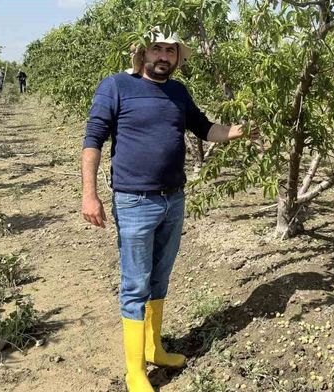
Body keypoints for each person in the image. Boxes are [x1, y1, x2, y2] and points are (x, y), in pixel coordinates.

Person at [80, 28, 259, 392]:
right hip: (134, 201)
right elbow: (93, 139)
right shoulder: (116, 86)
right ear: (142, 53)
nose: (164, 56)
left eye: (171, 51)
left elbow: (204, 128)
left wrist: (240, 131)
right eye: (157, 49)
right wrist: (89, 194)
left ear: (177, 58)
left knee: (159, 279)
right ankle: (135, 372)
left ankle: (154, 349)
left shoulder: (178, 91)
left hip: (173, 199)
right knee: (135, 284)